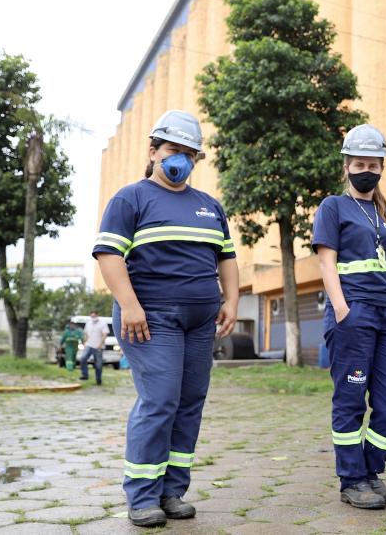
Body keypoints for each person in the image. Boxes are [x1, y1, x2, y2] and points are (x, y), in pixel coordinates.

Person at [93, 110, 238, 528]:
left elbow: (226, 258)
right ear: (154, 151)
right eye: (174, 150)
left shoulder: (210, 207)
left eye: (190, 154)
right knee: (159, 402)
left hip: (200, 321)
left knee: (189, 402)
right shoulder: (131, 198)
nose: (182, 160)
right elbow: (108, 255)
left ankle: (172, 490)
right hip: (150, 318)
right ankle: (141, 495)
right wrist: (131, 305)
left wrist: (231, 299)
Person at [313, 124, 386, 510]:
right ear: (347, 166)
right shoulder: (333, 207)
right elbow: (327, 261)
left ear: (382, 166)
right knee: (351, 400)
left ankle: (371, 472)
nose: (366, 169)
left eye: (373, 163)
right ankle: (352, 479)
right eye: (359, 163)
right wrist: (342, 309)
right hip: (354, 314)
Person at [80, 310, 109, 385]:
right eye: (92, 316)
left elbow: (104, 334)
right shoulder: (88, 323)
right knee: (83, 358)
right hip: (89, 345)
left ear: (97, 315)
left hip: (98, 346)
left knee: (98, 364)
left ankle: (98, 379)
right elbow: (86, 334)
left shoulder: (103, 323)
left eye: (94, 316)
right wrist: (85, 342)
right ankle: (85, 375)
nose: (93, 317)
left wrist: (100, 344)